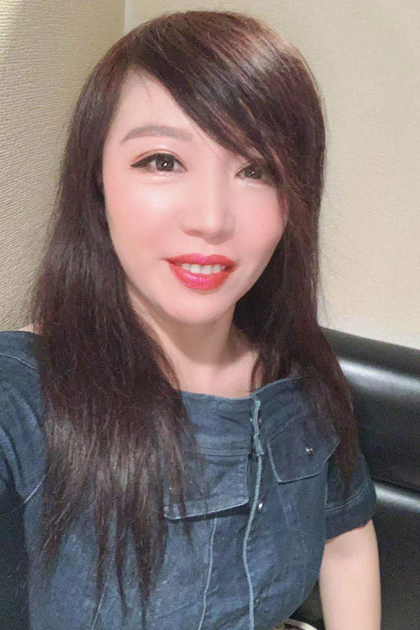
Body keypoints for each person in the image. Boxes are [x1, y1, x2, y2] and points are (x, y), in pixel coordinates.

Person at [0, 9, 381, 630]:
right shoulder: (24, 393)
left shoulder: (299, 378)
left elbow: (346, 538)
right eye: (162, 160)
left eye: (256, 170)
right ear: (97, 180)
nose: (211, 218)